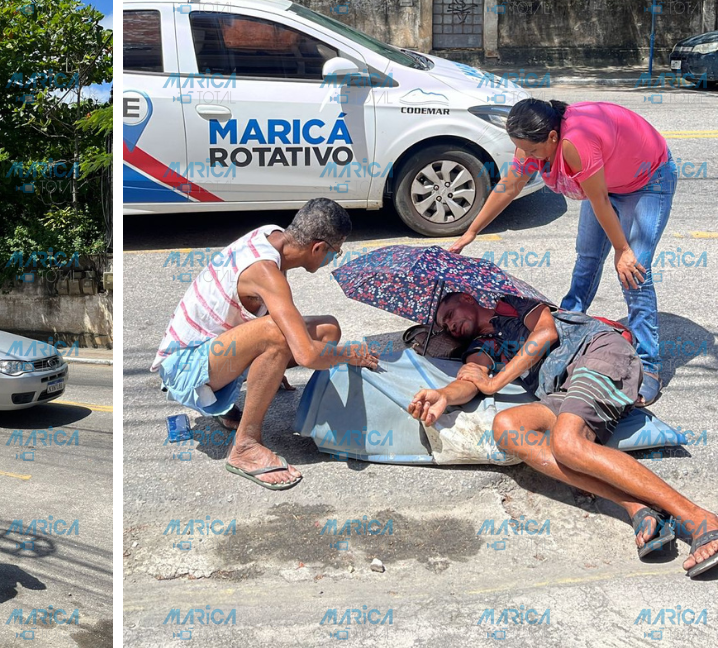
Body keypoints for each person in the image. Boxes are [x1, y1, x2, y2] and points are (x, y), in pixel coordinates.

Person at [409, 291, 718, 578]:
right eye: (444, 325)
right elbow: (471, 379)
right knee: (507, 426)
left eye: (449, 312)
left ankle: (698, 518)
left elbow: (546, 332)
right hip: (563, 390)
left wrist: (496, 382)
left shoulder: (510, 303)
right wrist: (445, 395)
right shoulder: (482, 347)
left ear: (467, 298)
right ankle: (636, 506)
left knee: (567, 443)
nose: (449, 324)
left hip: (597, 353)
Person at [450, 98, 677, 406]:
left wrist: (623, 249)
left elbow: (598, 201)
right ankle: (567, 326)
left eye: (531, 150)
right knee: (587, 257)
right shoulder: (533, 141)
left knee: (633, 272)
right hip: (605, 178)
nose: (526, 157)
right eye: (522, 149)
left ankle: (649, 365)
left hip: (647, 180)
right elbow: (510, 185)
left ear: (553, 137)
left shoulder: (574, 144)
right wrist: (472, 231)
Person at [150, 198, 379, 490]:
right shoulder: (266, 271)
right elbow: (307, 355)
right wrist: (349, 355)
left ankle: (235, 403)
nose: (333, 257)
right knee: (276, 335)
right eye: (335, 252)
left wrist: (273, 364)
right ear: (318, 248)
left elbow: (270, 315)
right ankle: (245, 446)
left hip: (216, 352)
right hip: (185, 367)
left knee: (327, 329)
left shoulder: (271, 236)